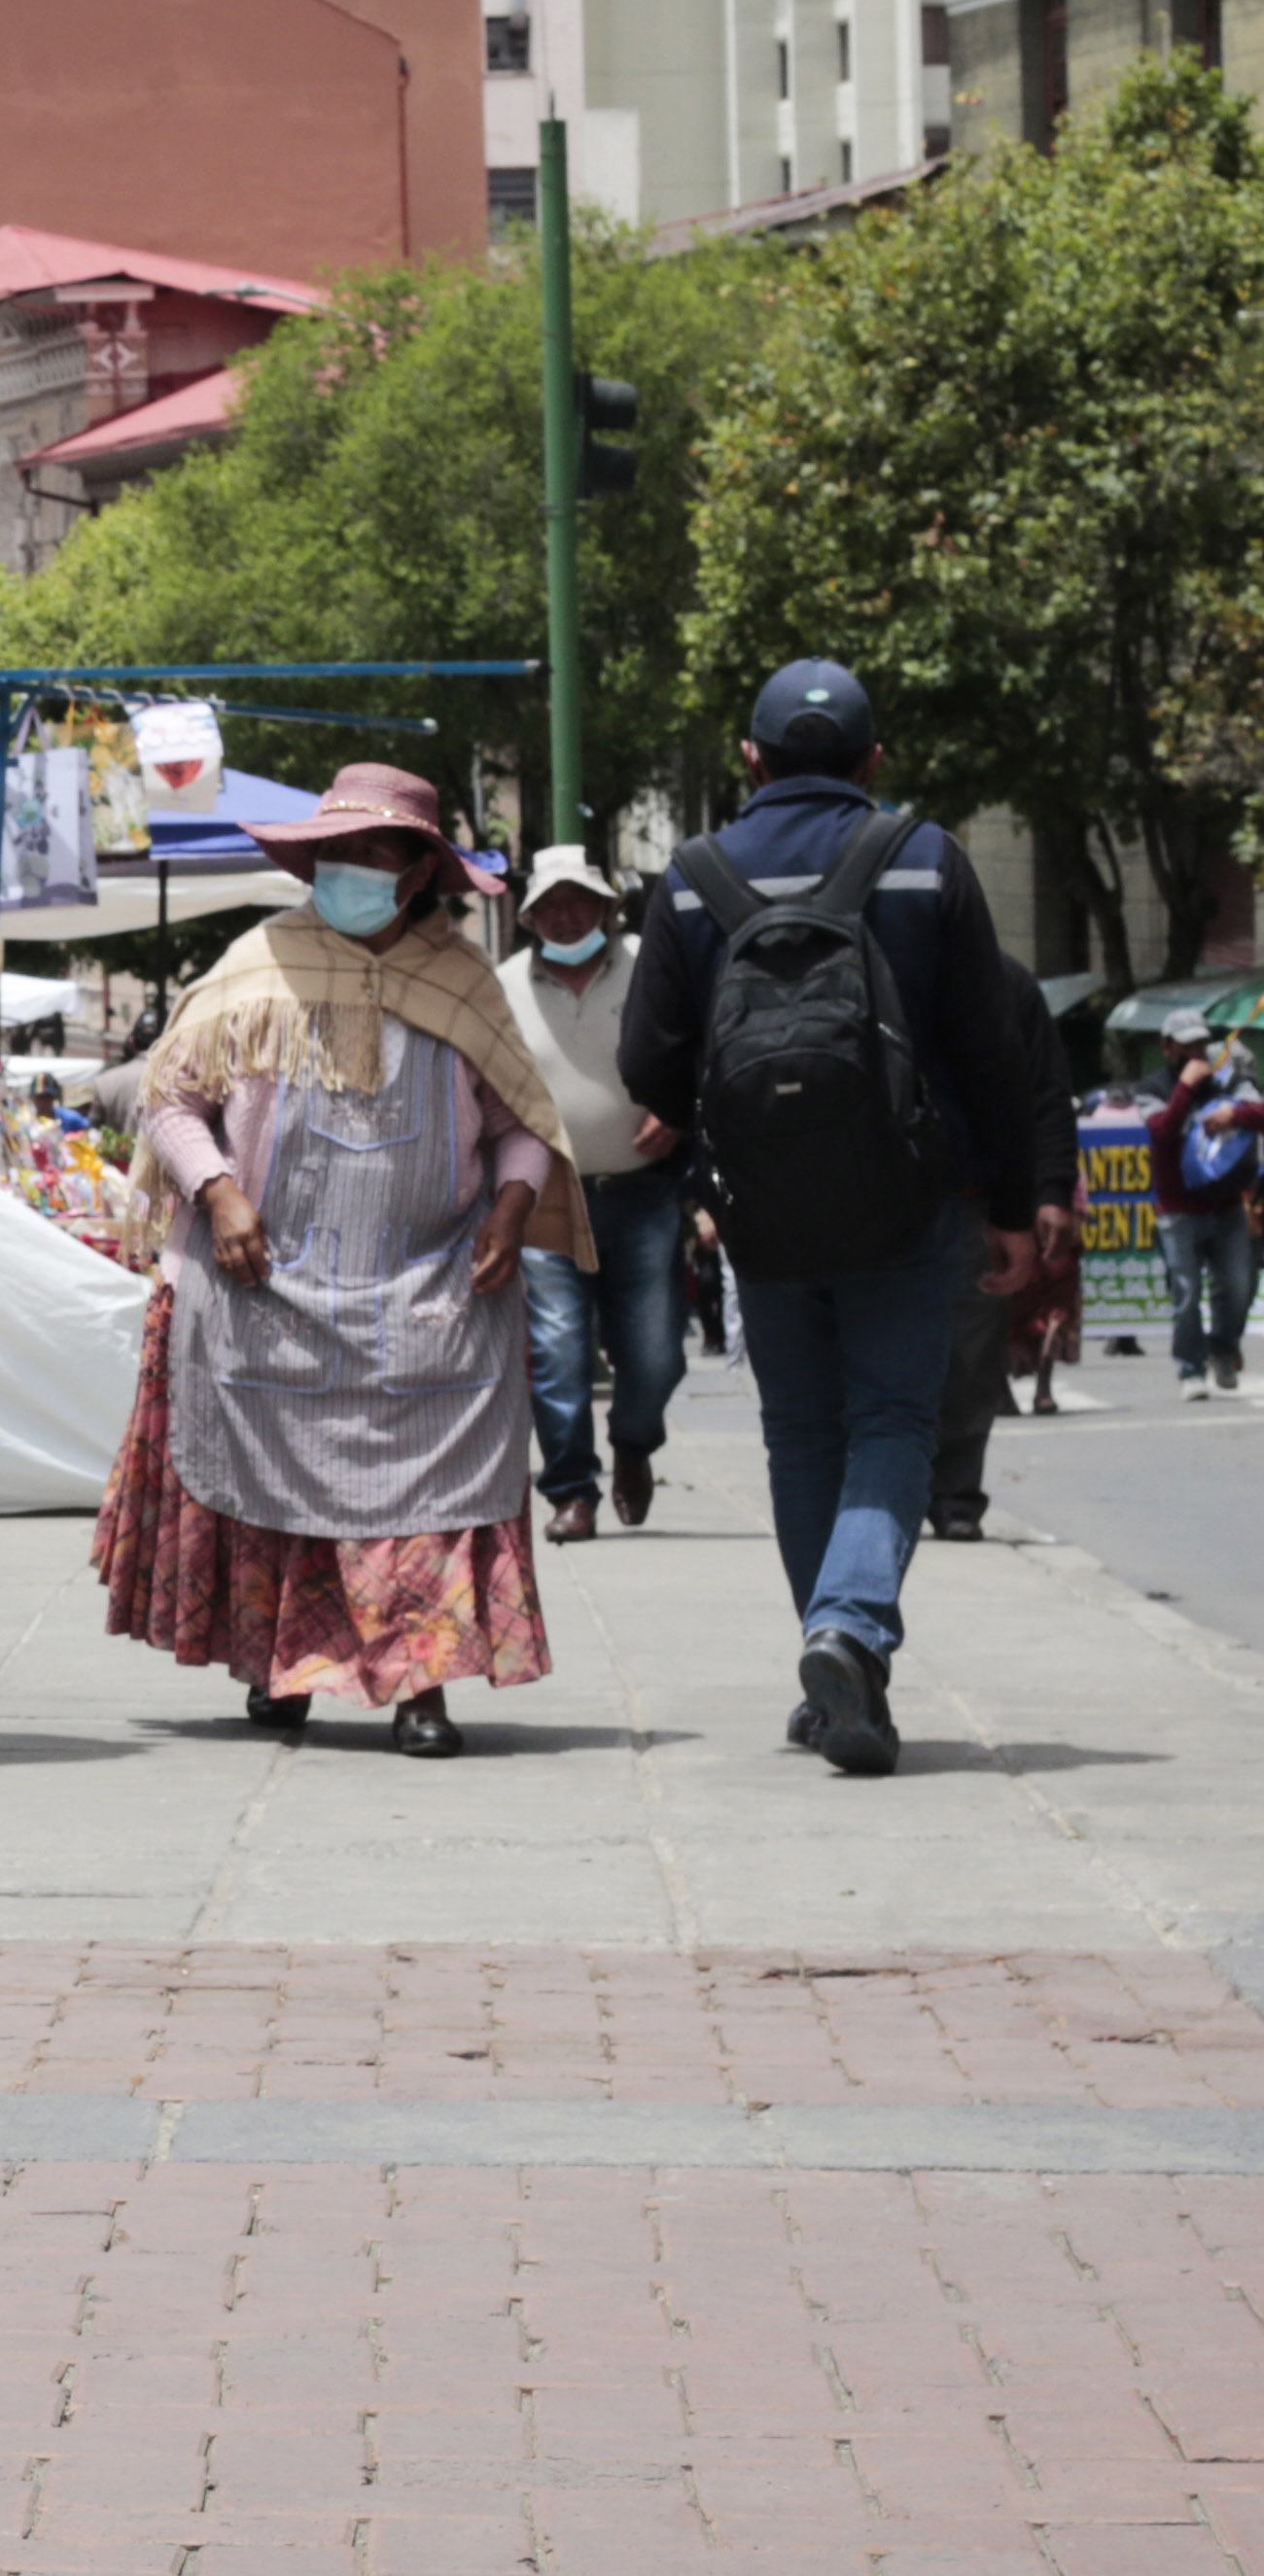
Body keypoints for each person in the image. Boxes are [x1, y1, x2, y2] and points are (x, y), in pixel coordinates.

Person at [617, 661, 1047, 1778]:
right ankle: (847, 1632)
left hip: (760, 1209)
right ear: (871, 761)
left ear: (748, 759)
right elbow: (988, 1050)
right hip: (906, 1202)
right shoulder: (923, 858)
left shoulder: (691, 876)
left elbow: (646, 1063)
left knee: (800, 1432)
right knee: (893, 1421)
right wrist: (1011, 1205)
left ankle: (833, 1656)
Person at [95, 765, 570, 1760]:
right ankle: (279, 1664)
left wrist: (513, 1203)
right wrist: (218, 1191)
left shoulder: (462, 983)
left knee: (431, 1493)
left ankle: (420, 1686)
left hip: (429, 1286)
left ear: (417, 871)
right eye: (335, 852)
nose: (349, 868)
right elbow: (172, 1100)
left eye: (373, 852)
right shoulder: (253, 965)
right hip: (266, 1284)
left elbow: (520, 1123)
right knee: (273, 1480)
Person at [500, 849, 688, 1547]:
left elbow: (699, 1047)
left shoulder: (653, 967)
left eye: (579, 900)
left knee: (656, 1351)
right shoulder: (504, 985)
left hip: (643, 1194)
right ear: (529, 917)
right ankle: (572, 1489)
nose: (566, 915)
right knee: (557, 1351)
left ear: (609, 907)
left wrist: (679, 1111)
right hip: (547, 1199)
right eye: (550, 904)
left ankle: (634, 1444)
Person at [928, 957, 1081, 1540]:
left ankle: (955, 1494)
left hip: (976, 1198)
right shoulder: (864, 956)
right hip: (878, 1197)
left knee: (971, 1354)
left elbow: (1047, 1091)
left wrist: (1052, 1190)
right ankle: (882, 1483)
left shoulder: (1003, 982)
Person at [1142, 1011, 1260, 1399]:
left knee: (1238, 1287)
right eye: (1186, 1045)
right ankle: (1190, 1368)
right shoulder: (1152, 1089)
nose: (1195, 1052)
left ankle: (1223, 1349)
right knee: (1186, 1292)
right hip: (1178, 1211)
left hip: (1226, 1205)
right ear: (1167, 1047)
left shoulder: (1228, 1080)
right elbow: (1161, 1132)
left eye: (1200, 1044)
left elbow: (1260, 1110)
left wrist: (1233, 1115)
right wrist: (1185, 1088)